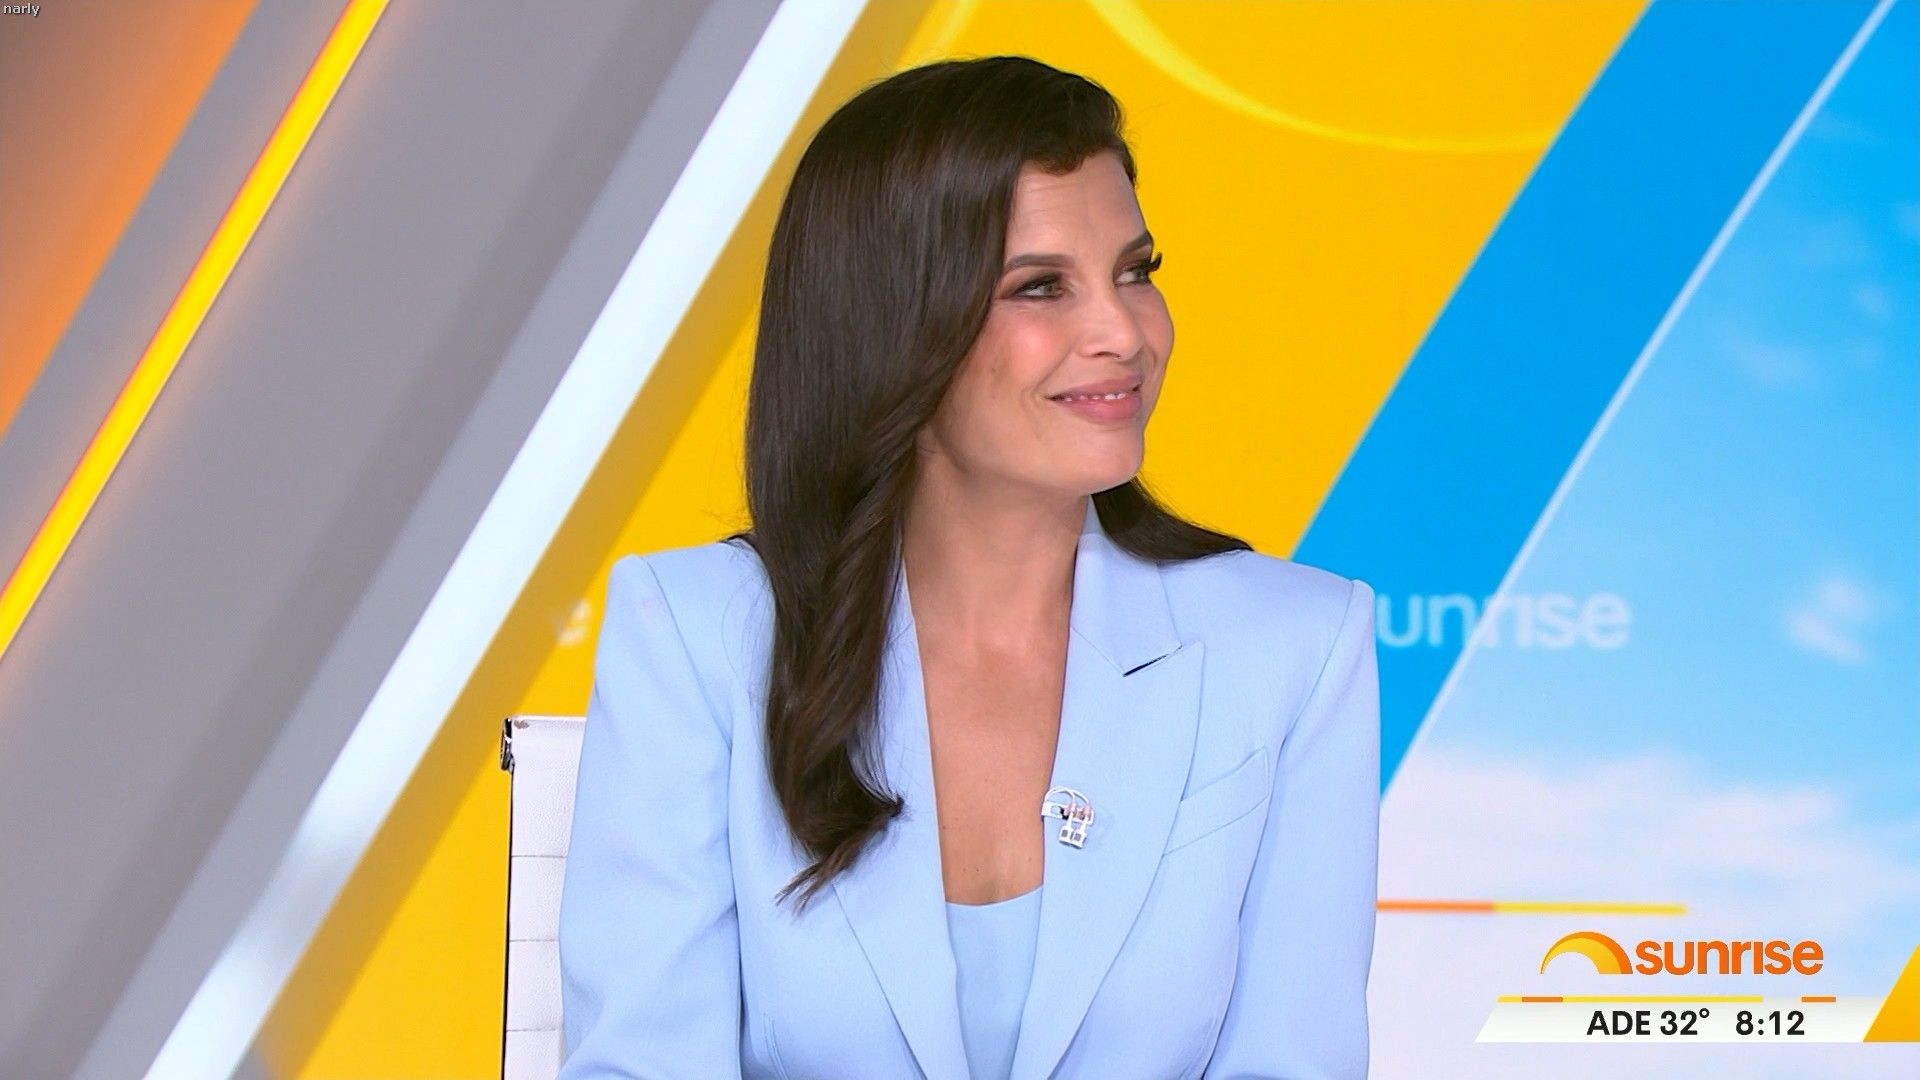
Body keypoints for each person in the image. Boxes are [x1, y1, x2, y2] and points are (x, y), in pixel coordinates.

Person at [556, 55, 1379, 1080]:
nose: (1124, 333)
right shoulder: (697, 633)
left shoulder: (1295, 644)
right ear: (892, 325)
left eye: (1136, 271)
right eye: (1041, 287)